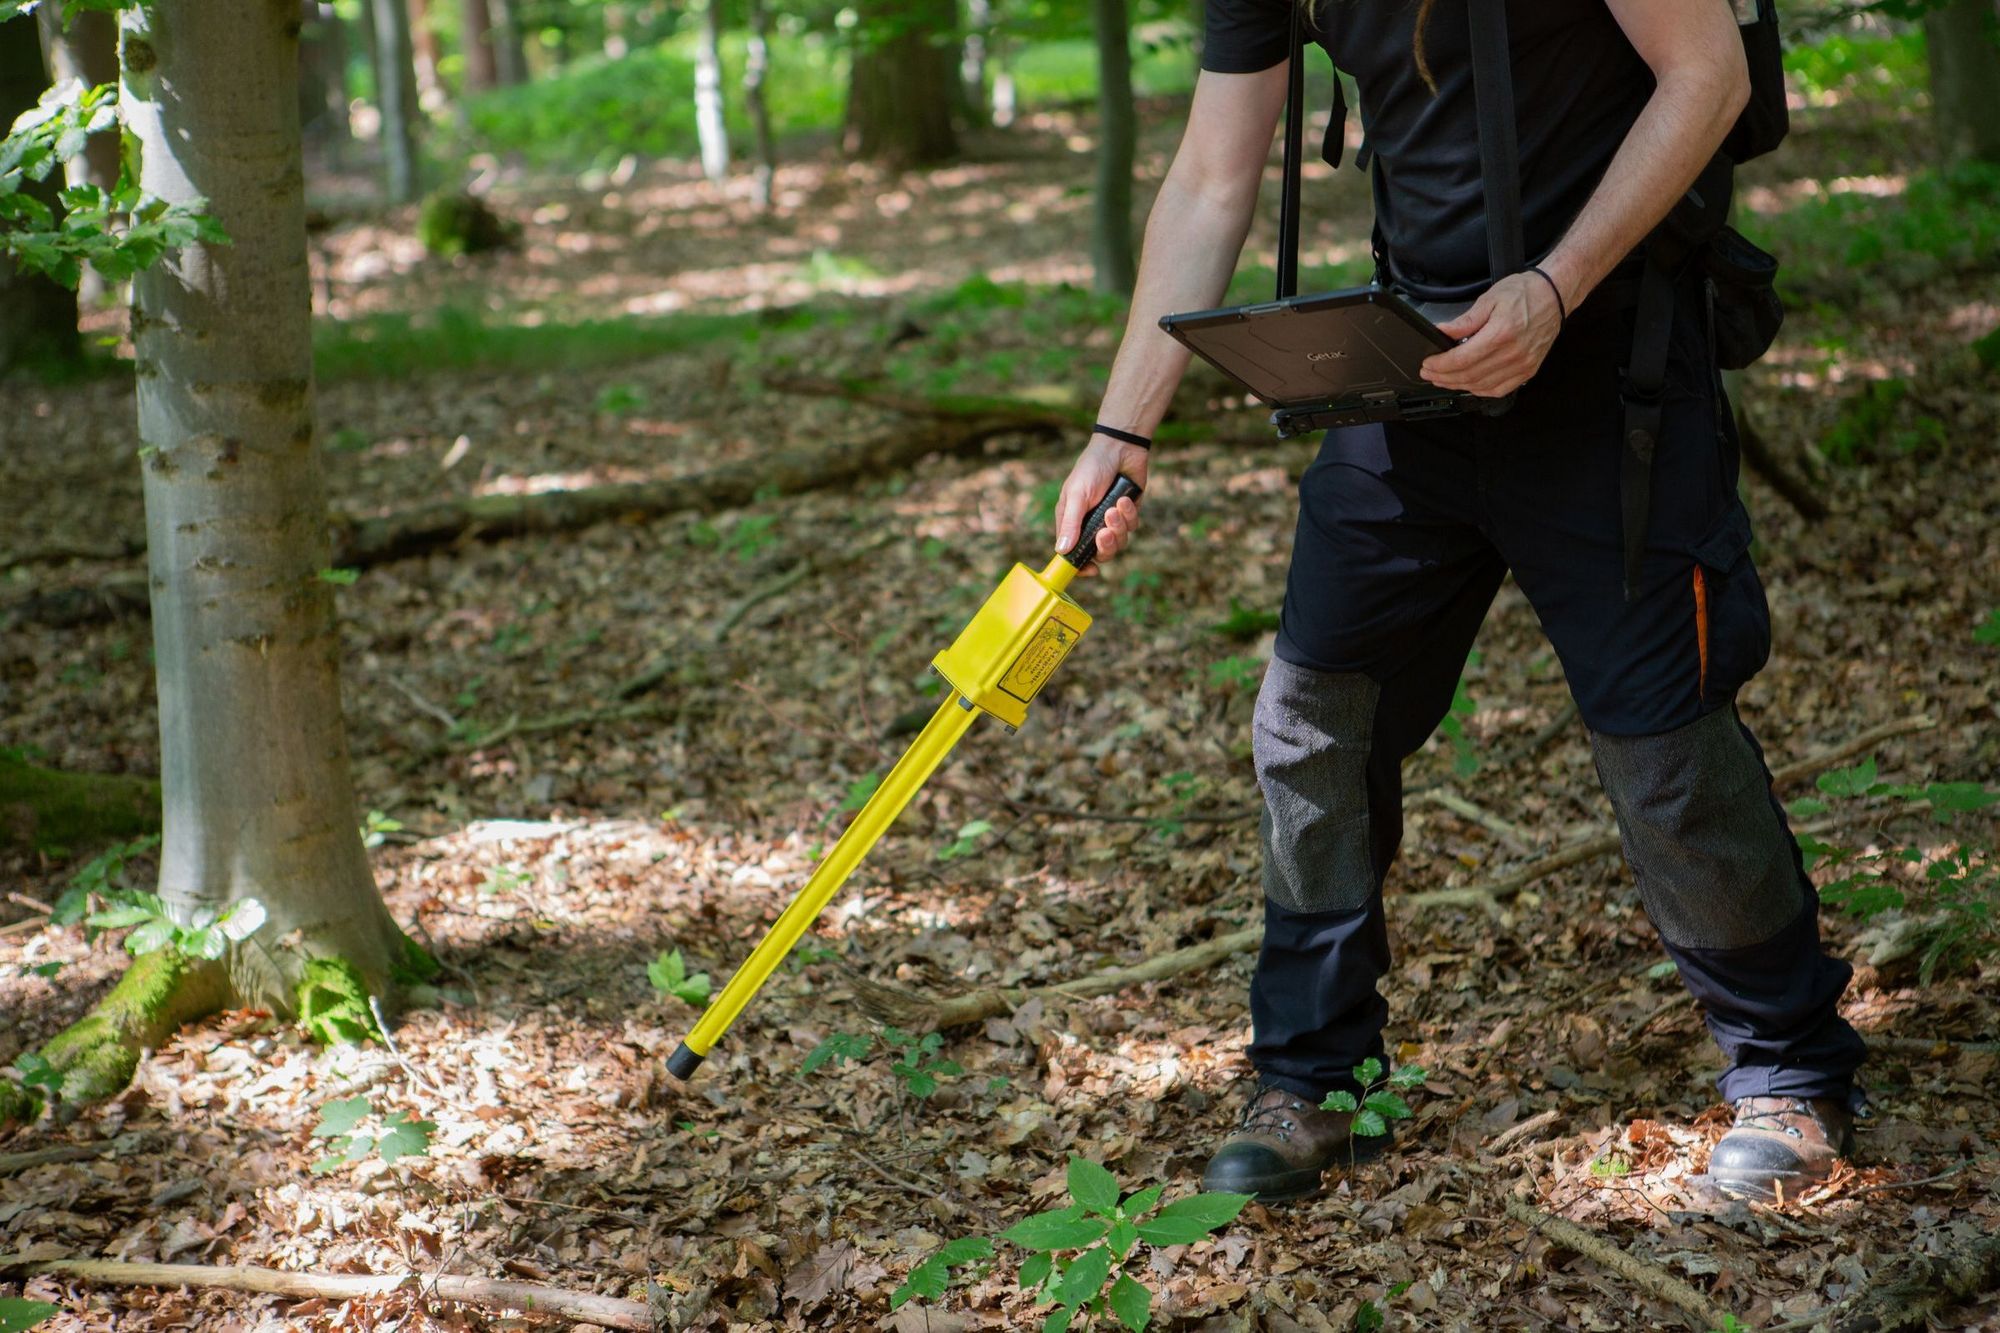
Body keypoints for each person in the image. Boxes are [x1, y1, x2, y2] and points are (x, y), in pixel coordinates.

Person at [1050, 0, 1867, 1203]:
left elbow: (1706, 74)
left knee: (1662, 744)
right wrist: (1121, 430)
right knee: (1310, 715)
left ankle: (1790, 1067)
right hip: (1409, 373)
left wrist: (1553, 285)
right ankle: (1315, 1076)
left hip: (1610, 366)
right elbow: (1214, 173)